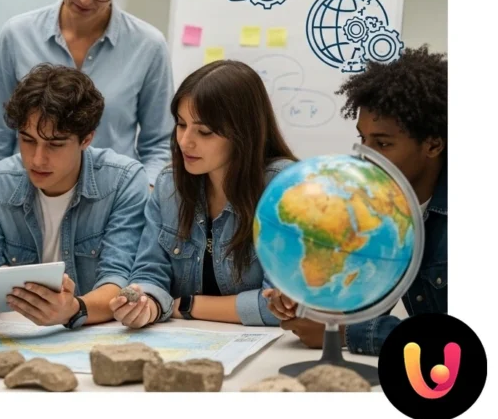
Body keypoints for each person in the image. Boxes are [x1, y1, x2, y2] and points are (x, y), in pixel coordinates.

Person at [263, 46, 447, 356]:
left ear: (432, 144)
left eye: (383, 143)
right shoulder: (383, 209)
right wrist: (310, 297)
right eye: (363, 139)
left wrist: (348, 332)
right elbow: (367, 294)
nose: (365, 155)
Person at [0, 0, 174, 186]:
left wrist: (143, 197)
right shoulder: (18, 35)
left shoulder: (148, 46)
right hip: (27, 201)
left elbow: (159, 144)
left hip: (112, 208)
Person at [0, 64, 149, 328]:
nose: (37, 158)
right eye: (28, 140)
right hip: (12, 335)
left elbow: (119, 281)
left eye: (55, 144)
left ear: (86, 139)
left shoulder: (123, 181)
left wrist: (73, 310)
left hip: (93, 335)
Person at [113, 60, 297, 328]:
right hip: (186, 341)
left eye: (204, 132)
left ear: (242, 133)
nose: (185, 141)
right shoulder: (169, 184)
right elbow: (149, 273)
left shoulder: (284, 187)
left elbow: (278, 307)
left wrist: (188, 305)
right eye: (180, 124)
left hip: (270, 348)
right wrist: (146, 305)